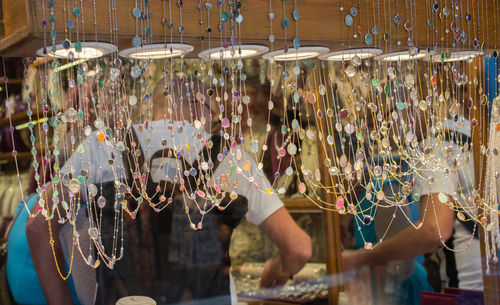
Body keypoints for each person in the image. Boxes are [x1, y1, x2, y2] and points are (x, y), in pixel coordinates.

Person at [25, 74, 312, 305]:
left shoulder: (102, 146)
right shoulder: (228, 155)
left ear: (151, 108)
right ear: (204, 108)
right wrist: (277, 269)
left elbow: (38, 226)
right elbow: (299, 249)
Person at [341, 82, 483, 292]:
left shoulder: (433, 147)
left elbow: (434, 229)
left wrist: (361, 258)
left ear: (408, 105)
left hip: (465, 288)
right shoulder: (469, 130)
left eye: (381, 120)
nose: (379, 135)